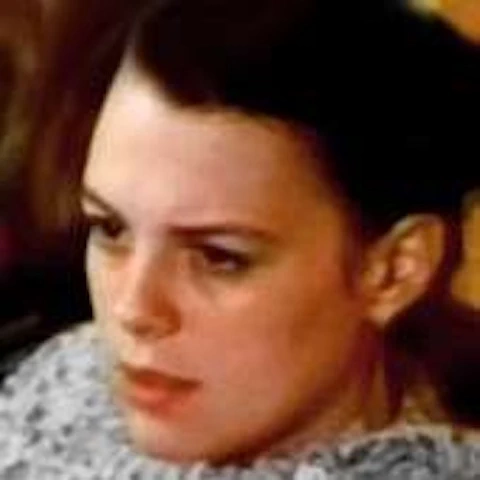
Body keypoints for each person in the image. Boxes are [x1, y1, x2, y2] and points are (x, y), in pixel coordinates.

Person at [1, 0, 480, 477]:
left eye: (218, 257)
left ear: (395, 271)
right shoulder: (70, 377)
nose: (133, 310)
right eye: (111, 229)